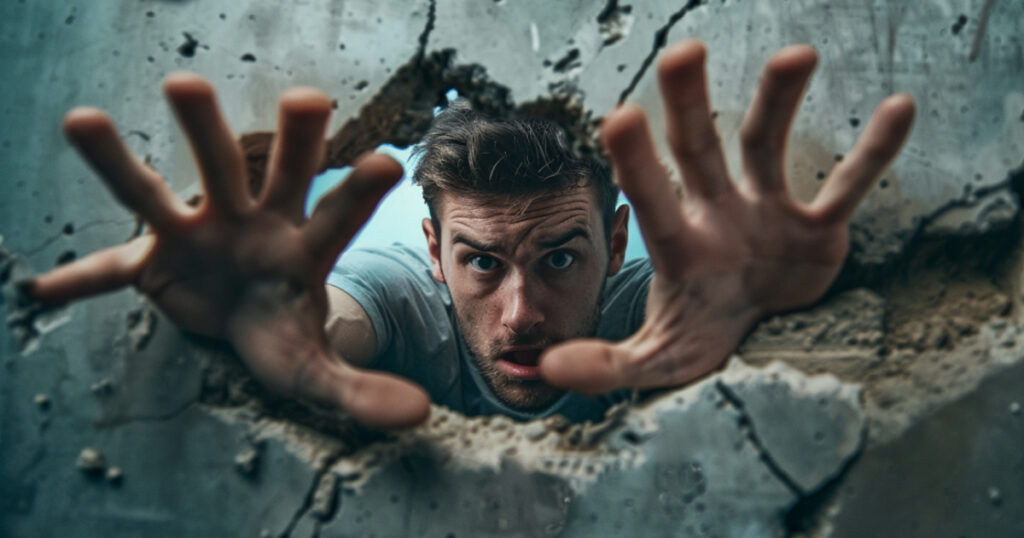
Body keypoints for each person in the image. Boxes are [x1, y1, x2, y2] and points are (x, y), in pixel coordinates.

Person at [23, 40, 915, 429]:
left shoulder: (657, 298)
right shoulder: (397, 289)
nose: (521, 312)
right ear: (433, 246)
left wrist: (786, 312)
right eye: (481, 262)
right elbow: (334, 321)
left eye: (561, 257)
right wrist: (260, 318)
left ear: (615, 238)